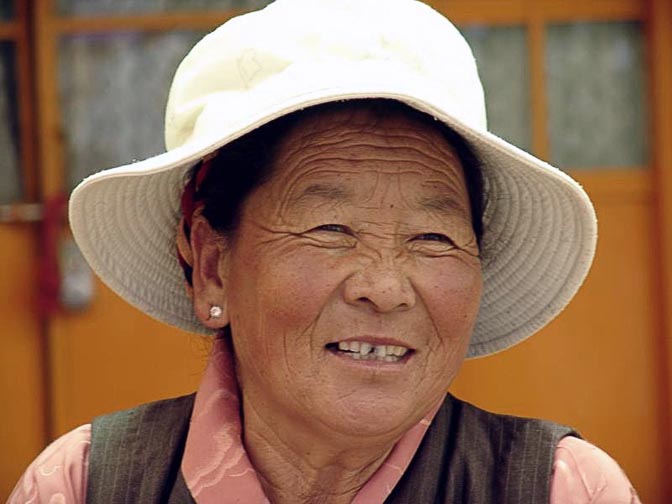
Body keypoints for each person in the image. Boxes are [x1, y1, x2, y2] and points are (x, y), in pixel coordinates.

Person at [9, 0, 640, 502]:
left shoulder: (563, 490)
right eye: (331, 229)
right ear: (211, 266)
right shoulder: (84, 485)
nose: (386, 287)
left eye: (433, 237)